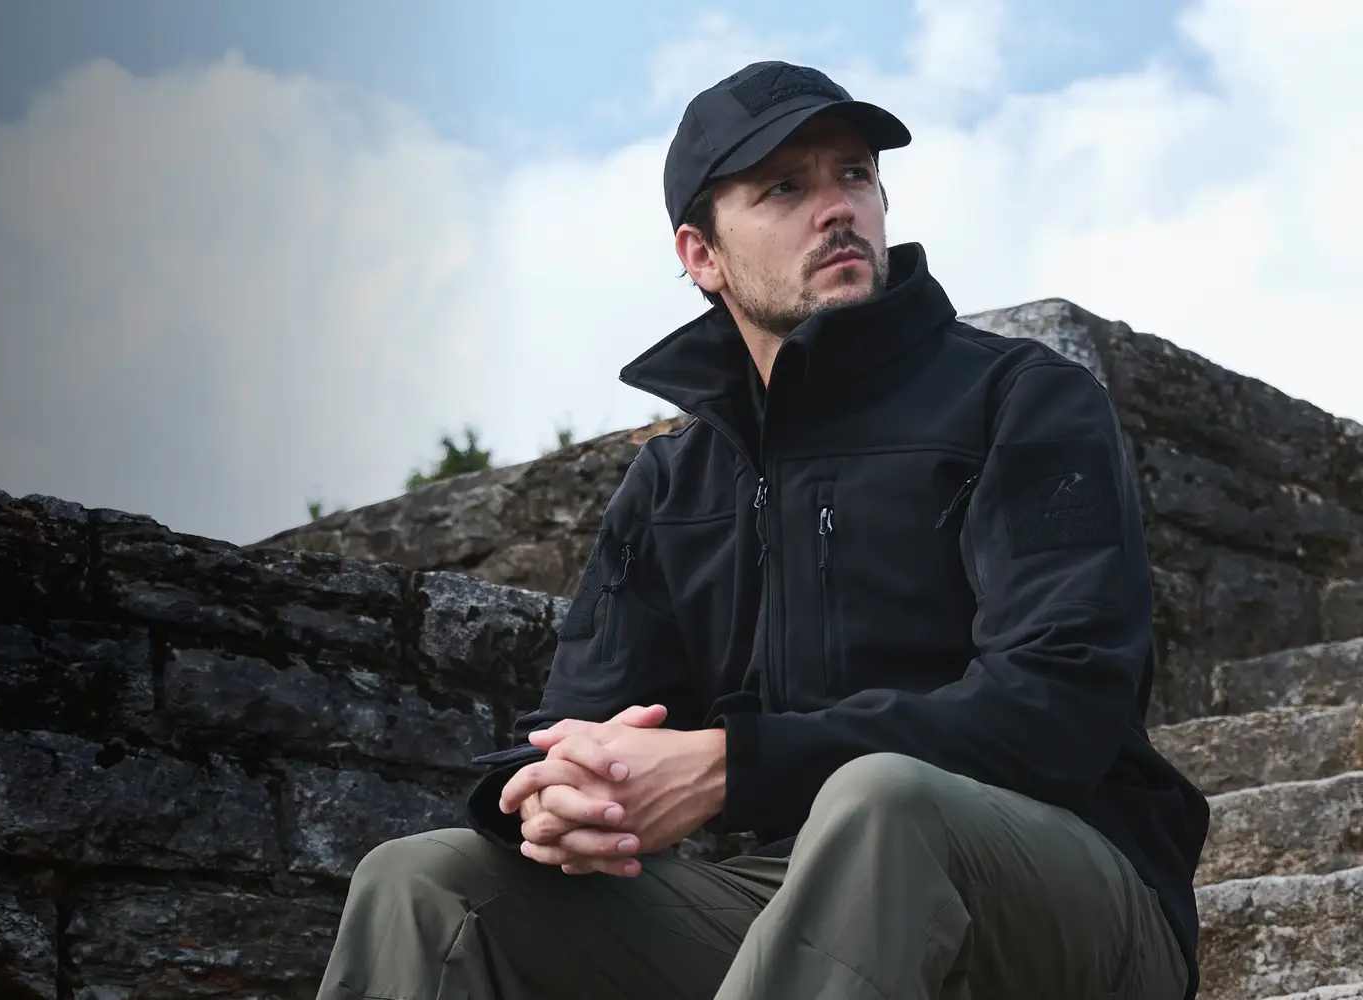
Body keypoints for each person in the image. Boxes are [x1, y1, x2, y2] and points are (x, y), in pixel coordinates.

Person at [313, 60, 1210, 1000]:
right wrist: (553, 798)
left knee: (881, 804)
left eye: (854, 174)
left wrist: (731, 768)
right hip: (787, 905)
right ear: (702, 255)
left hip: (1075, 895)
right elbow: (569, 729)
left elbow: (1059, 708)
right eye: (785, 186)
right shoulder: (671, 485)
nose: (837, 208)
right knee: (423, 882)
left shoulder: (1023, 399)